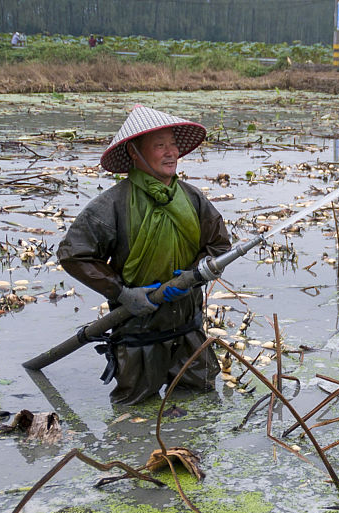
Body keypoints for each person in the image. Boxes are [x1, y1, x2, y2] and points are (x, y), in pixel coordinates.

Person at [57, 105, 232, 404]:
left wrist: (197, 272)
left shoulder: (192, 198)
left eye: (173, 144)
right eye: (159, 146)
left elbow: (219, 245)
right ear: (135, 153)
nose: (171, 153)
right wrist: (123, 293)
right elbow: (74, 255)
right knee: (132, 415)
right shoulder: (112, 205)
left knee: (202, 406)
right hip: (138, 334)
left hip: (190, 332)